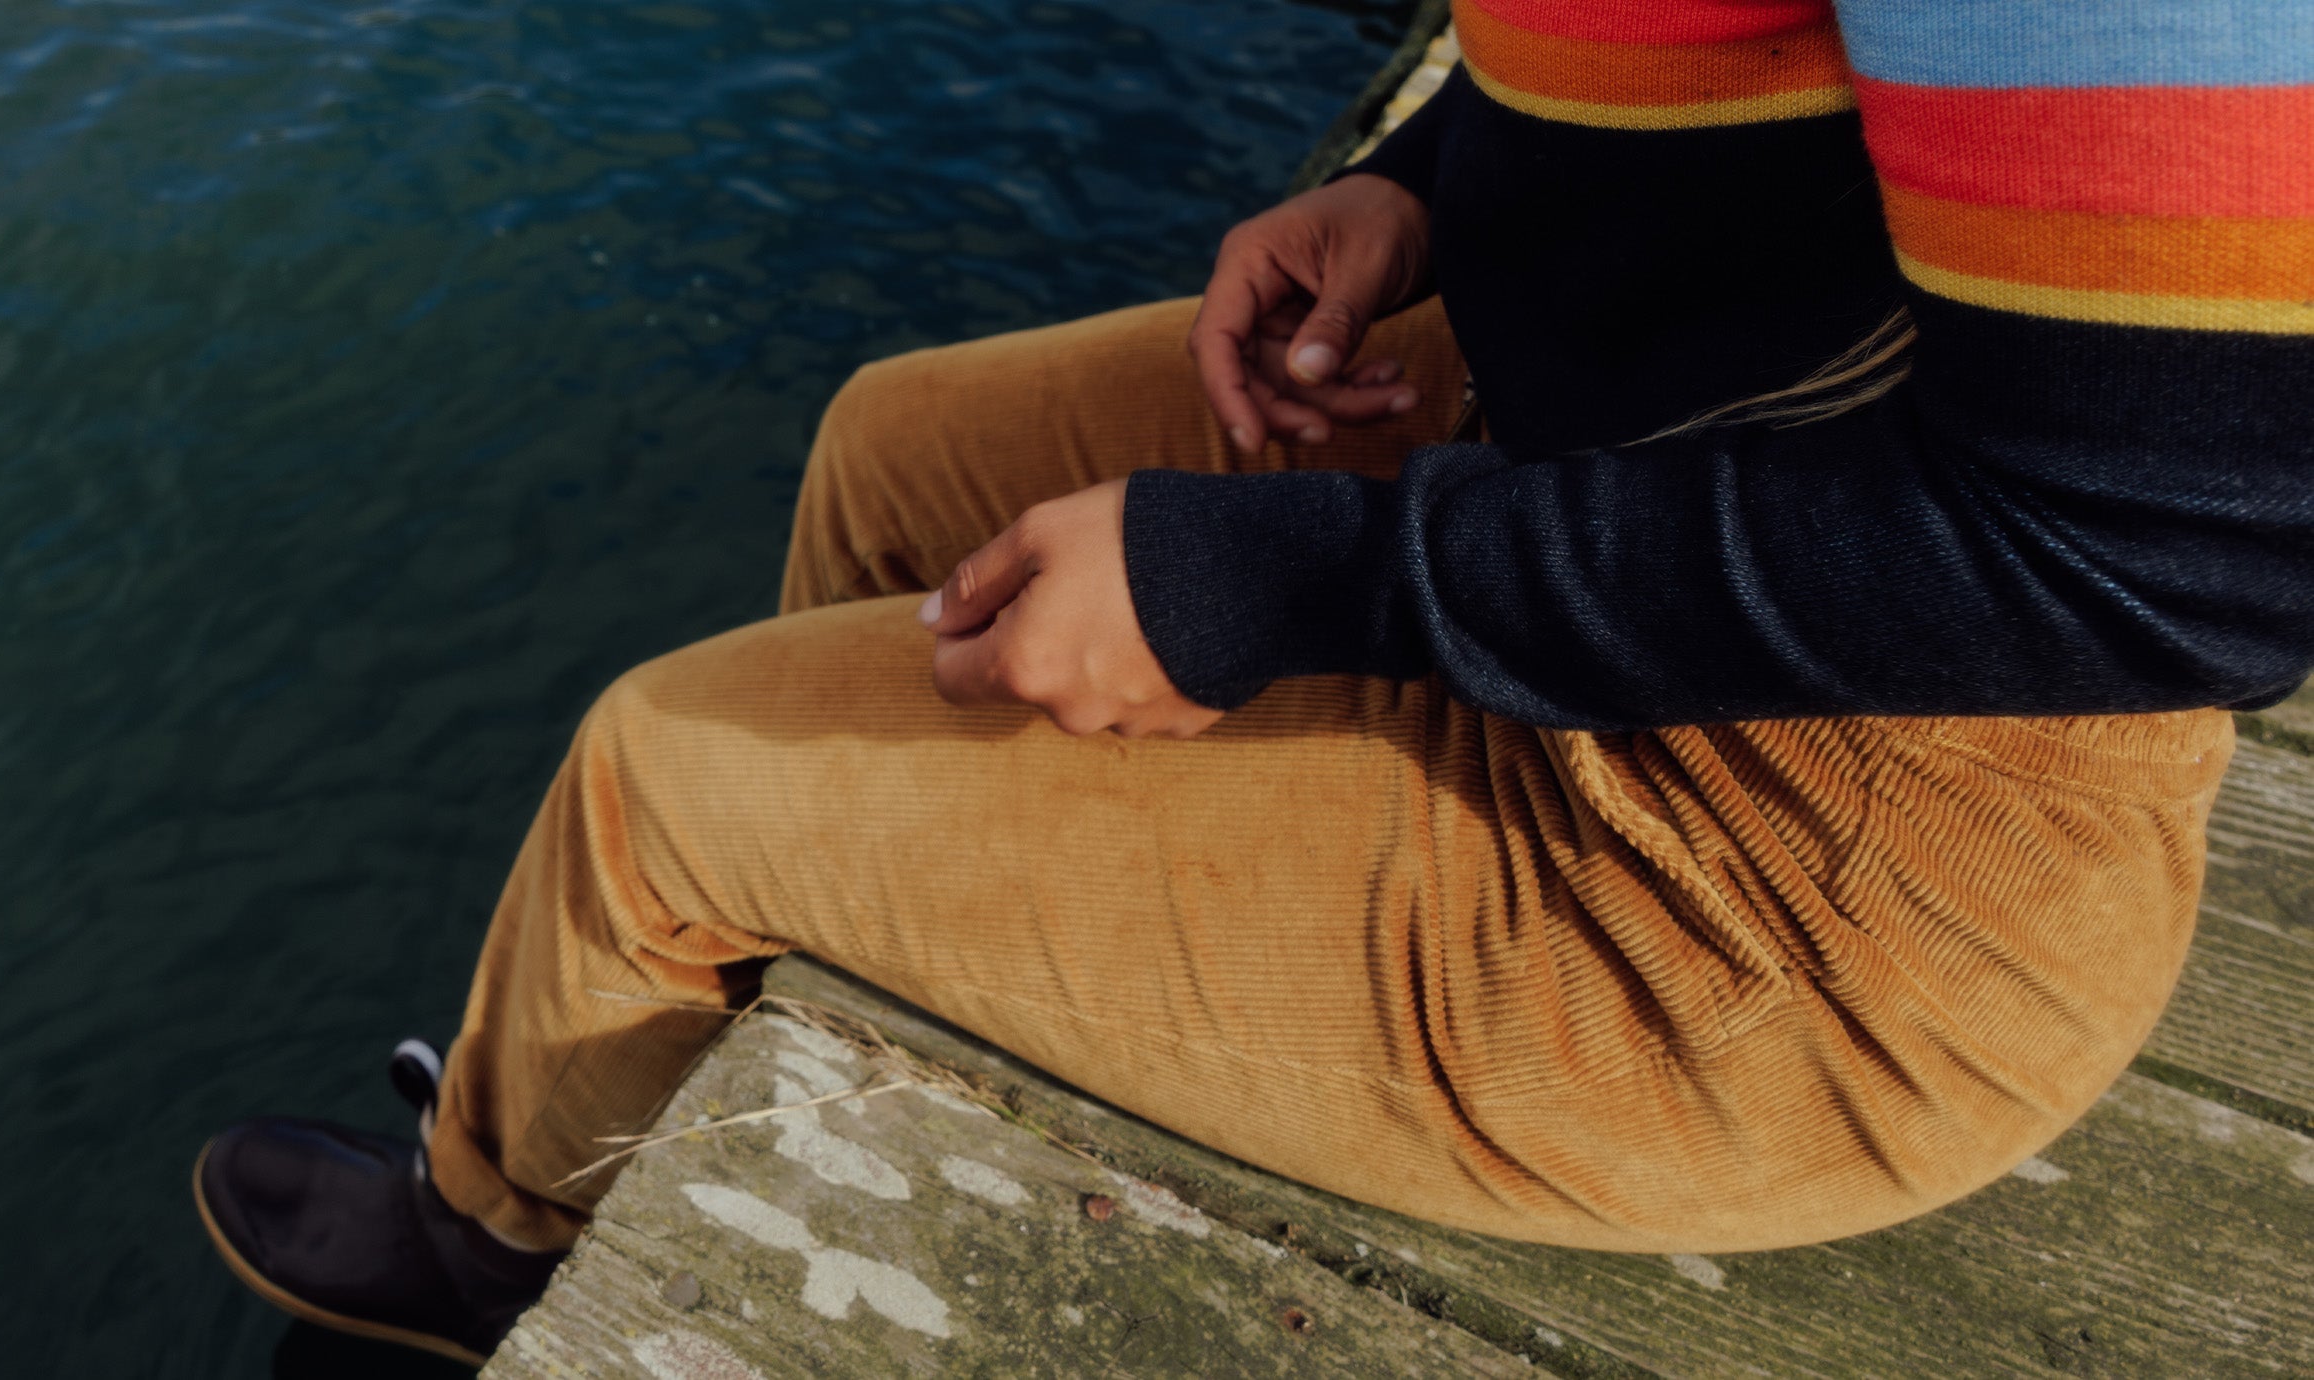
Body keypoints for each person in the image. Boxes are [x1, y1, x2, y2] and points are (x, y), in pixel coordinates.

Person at [190, 0, 2314, 1363]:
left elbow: (2162, 557)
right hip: (1615, 454)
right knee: (900, 453)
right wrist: (1423, 183)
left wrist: (1279, 582)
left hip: (1806, 894)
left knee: (659, 777)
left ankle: (497, 1250)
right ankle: (773, 980)